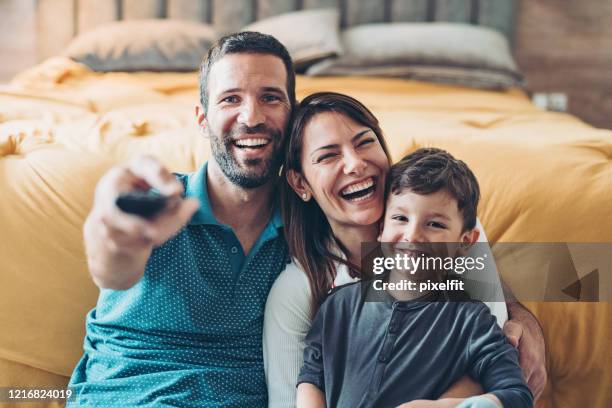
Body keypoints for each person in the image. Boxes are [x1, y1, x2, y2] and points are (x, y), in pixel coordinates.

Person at [263, 92, 546, 407]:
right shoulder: (304, 293)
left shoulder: (449, 223)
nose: (355, 164)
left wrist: (523, 318)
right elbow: (298, 392)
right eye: (328, 155)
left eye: (364, 142)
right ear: (300, 183)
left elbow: (492, 352)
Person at [67, 32, 295, 407]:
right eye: (230, 99)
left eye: (270, 97)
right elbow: (113, 267)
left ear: (292, 115)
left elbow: (408, 277)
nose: (251, 117)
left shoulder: (311, 221)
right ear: (203, 120)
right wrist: (116, 230)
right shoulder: (156, 204)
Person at [295, 148, 533, 408]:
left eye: (435, 224)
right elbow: (311, 376)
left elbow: (516, 395)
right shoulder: (339, 306)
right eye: (400, 218)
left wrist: (440, 407)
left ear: (466, 242)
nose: (413, 236)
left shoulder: (472, 321)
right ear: (382, 228)